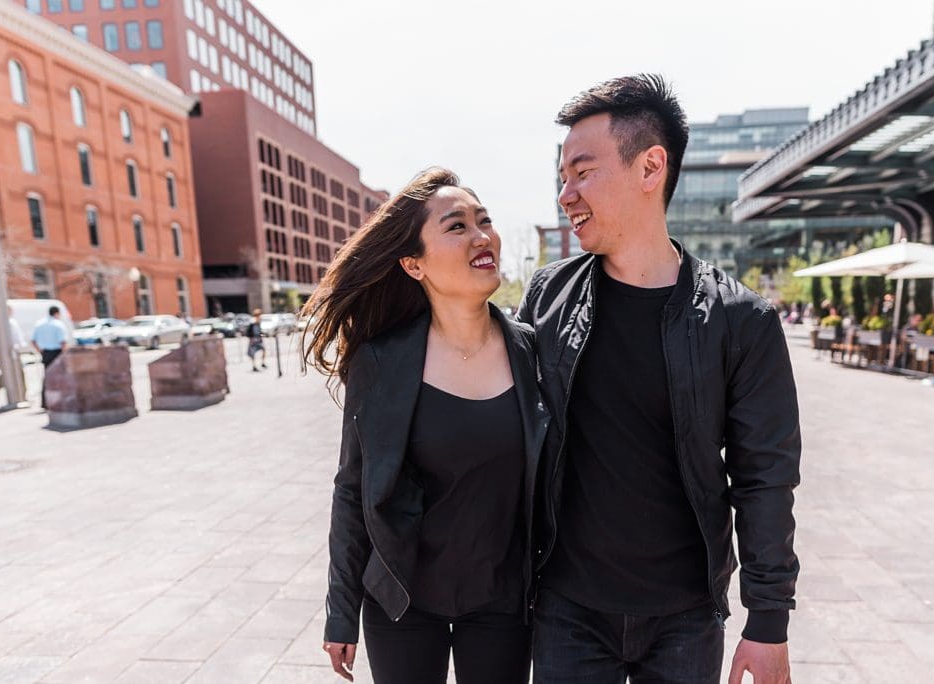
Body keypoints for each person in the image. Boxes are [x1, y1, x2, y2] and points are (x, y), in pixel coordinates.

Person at [517, 75, 800, 684]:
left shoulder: (740, 320)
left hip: (685, 616)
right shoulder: (546, 297)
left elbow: (765, 477)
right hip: (566, 609)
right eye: (561, 177)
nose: (565, 194)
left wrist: (768, 621)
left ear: (650, 168)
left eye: (582, 172)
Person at [302, 168, 547, 684]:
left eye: (484, 221)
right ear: (414, 264)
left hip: (503, 601)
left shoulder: (533, 353)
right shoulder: (380, 362)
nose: (482, 236)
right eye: (456, 227)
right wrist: (341, 609)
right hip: (403, 601)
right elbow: (353, 490)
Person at [30, 305, 68, 409]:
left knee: (47, 378)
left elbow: (33, 341)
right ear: (56, 313)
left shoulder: (39, 324)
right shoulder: (58, 324)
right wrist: (64, 355)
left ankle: (45, 402)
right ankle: (60, 401)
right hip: (56, 353)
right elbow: (63, 342)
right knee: (60, 377)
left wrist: (41, 351)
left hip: (45, 353)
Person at [0, 306, 27, 407]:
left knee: (13, 374)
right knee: (11, 374)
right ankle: (21, 397)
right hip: (4, 351)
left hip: (11, 350)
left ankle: (22, 396)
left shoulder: (9, 321)